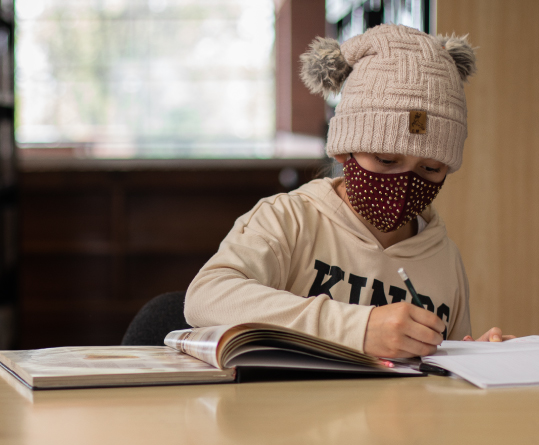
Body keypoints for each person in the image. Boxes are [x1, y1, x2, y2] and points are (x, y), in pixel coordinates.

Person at [184, 24, 512, 358]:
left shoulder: (444, 258)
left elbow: (443, 366)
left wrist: (477, 356)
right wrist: (358, 327)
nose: (405, 183)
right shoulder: (289, 220)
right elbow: (206, 297)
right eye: (386, 159)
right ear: (345, 151)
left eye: (430, 169)